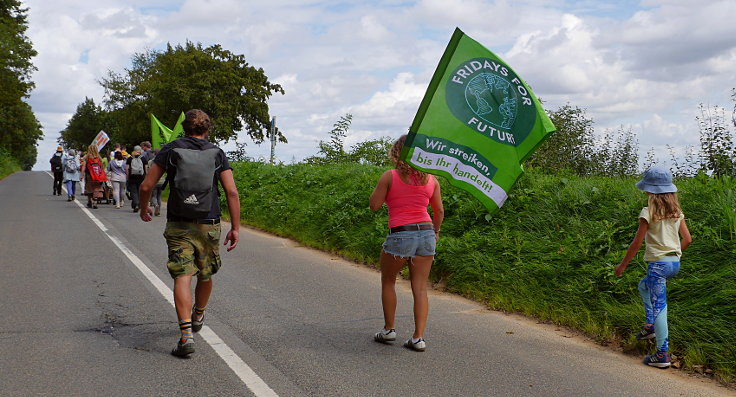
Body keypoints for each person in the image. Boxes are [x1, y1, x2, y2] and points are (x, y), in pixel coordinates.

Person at [139, 109, 240, 358]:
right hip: (209, 221)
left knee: (182, 275)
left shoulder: (171, 150)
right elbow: (232, 192)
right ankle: (198, 314)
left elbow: (146, 185)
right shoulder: (216, 153)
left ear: (185, 128)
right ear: (207, 129)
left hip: (179, 223)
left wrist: (144, 207)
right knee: (205, 272)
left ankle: (186, 335)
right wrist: (236, 227)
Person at [368, 135, 444, 352]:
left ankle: (389, 330)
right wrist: (435, 231)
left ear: (397, 153)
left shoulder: (390, 177)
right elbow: (439, 211)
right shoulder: (432, 180)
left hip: (401, 234)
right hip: (427, 233)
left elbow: (374, 205)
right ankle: (418, 338)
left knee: (389, 281)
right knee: (420, 288)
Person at [615, 166, 692, 368]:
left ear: (650, 191)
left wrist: (622, 265)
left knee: (660, 307)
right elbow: (688, 239)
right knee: (644, 286)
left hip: (657, 265)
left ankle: (662, 354)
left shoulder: (647, 212)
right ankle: (650, 326)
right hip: (674, 263)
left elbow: (636, 244)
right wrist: (674, 254)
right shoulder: (677, 212)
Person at [80, 145, 107, 209]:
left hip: (89, 176)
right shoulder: (99, 158)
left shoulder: (86, 157)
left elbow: (83, 167)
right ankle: (95, 200)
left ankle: (89, 201)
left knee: (89, 188)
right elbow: (102, 168)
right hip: (98, 176)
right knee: (97, 188)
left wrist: (81, 175)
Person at [126, 146, 147, 212]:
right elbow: (146, 169)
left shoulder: (130, 159)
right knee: (140, 191)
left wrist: (127, 176)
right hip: (141, 177)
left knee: (134, 192)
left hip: (132, 178)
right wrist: (146, 176)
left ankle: (136, 204)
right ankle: (139, 204)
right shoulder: (143, 158)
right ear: (140, 151)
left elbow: (127, 169)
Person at [147, 148, 165, 216]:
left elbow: (148, 172)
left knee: (153, 196)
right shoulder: (163, 161)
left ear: (154, 153)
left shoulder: (150, 162)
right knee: (159, 196)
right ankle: (158, 210)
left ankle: (155, 205)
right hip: (162, 181)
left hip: (154, 181)